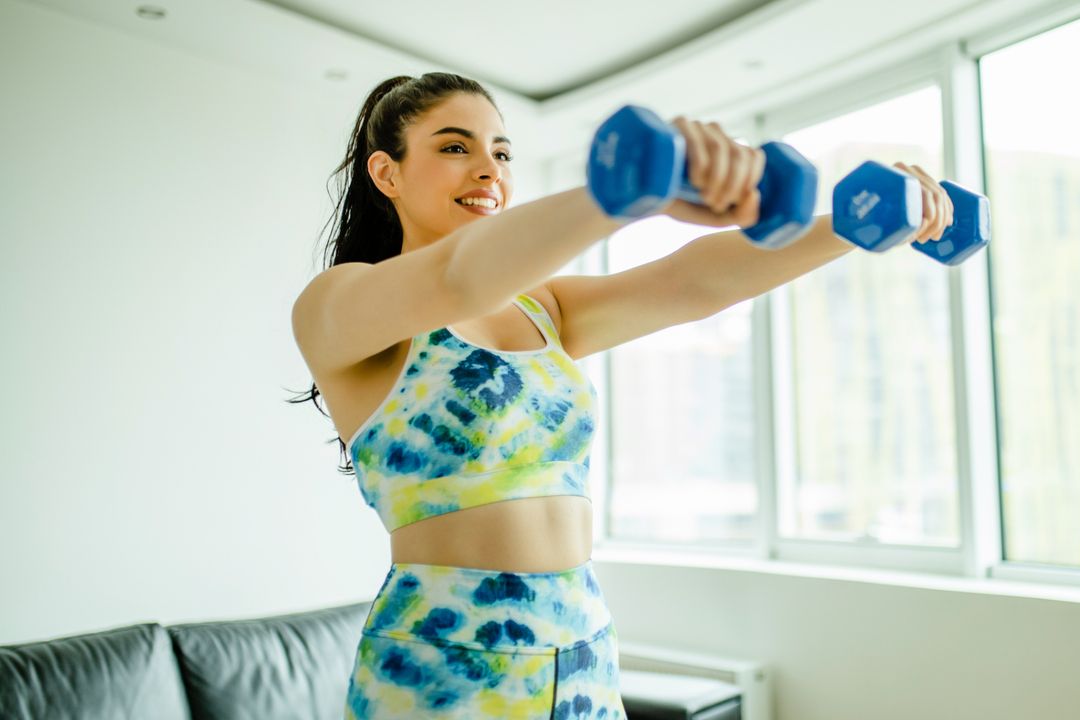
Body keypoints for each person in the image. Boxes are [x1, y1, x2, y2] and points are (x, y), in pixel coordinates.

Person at [290, 72, 952, 719]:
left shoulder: (543, 306)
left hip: (583, 650)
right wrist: (629, 189)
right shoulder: (340, 305)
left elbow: (688, 283)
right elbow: (457, 278)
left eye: (501, 151)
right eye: (455, 147)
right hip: (441, 663)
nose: (489, 170)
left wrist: (853, 226)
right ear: (387, 174)